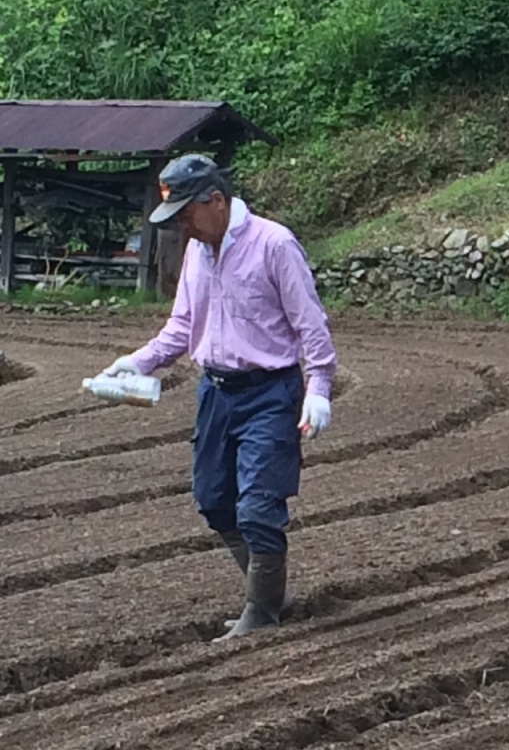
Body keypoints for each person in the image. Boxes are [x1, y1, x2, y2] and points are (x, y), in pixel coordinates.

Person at [96, 153, 337, 639]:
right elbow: (183, 326)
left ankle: (262, 612)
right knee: (213, 498)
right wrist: (137, 362)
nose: (183, 226)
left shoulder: (274, 245)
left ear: (217, 201)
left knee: (258, 506)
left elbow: (311, 326)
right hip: (216, 392)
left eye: (187, 214)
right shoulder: (197, 253)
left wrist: (319, 390)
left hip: (270, 392)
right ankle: (271, 592)